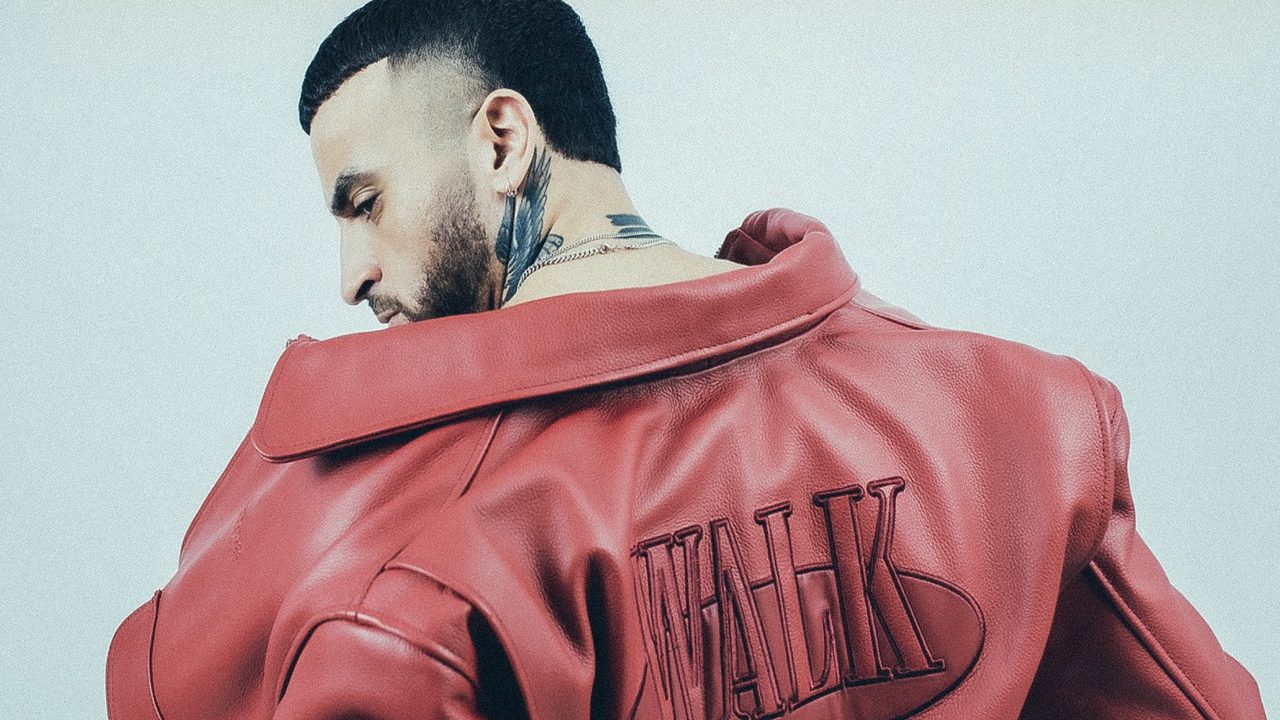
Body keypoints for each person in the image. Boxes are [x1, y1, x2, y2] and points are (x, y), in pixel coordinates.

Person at [105, 1, 1264, 718]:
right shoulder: (1022, 417)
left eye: (363, 203)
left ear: (501, 140)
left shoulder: (394, 556)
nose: (350, 275)